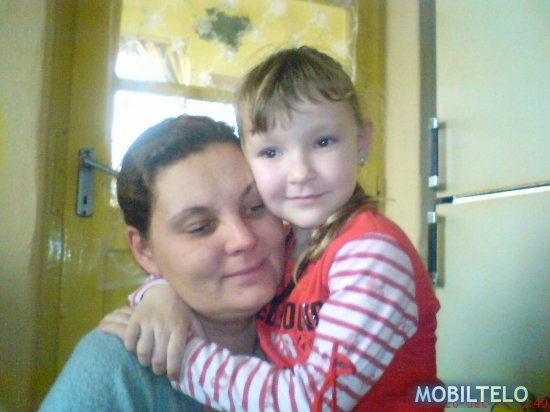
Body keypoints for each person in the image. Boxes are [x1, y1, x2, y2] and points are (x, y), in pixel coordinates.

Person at [115, 46, 443, 411]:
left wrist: (181, 356)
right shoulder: (283, 246)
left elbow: (307, 402)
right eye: (271, 152)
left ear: (361, 142)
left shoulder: (372, 255)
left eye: (323, 142)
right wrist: (159, 292)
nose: (300, 173)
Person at [40, 115, 285, 410]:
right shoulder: (115, 365)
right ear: (144, 251)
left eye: (256, 207)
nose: (243, 238)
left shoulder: (321, 319)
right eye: (200, 227)